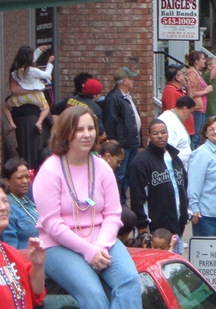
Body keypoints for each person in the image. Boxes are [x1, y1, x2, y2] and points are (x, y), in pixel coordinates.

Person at [32, 105, 141, 309]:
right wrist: (87, 251)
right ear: (66, 133)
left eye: (90, 129)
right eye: (79, 129)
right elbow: (52, 223)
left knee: (129, 281)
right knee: (94, 296)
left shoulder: (102, 167)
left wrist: (100, 247)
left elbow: (112, 214)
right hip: (59, 245)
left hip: (101, 239)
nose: (87, 135)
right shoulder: (50, 170)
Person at [129, 119, 189, 254]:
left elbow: (183, 186)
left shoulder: (174, 158)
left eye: (163, 132)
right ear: (149, 136)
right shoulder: (141, 161)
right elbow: (138, 196)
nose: (160, 136)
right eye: (155, 133)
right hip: (155, 229)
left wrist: (185, 214)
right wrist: (142, 226)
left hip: (177, 225)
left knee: (175, 264)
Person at [0, 180, 46, 309]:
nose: (3, 208)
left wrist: (37, 265)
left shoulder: (10, 253)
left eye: (5, 201)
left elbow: (36, 294)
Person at [102, 66, 142, 202]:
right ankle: (119, 202)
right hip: (123, 144)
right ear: (124, 81)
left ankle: (123, 200)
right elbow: (110, 122)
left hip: (131, 143)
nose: (133, 82)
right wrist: (117, 142)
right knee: (120, 174)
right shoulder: (114, 98)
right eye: (131, 79)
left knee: (128, 175)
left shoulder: (127, 97)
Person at [8, 46, 53, 128]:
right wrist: (49, 64)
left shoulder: (16, 71)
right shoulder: (33, 70)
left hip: (20, 97)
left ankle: (11, 123)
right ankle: (39, 122)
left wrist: (38, 51)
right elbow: (46, 75)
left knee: (4, 107)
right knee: (46, 108)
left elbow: (29, 61)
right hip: (36, 96)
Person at [1, 158, 38, 249]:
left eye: (27, 177)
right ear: (7, 181)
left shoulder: (29, 202)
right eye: (20, 178)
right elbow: (11, 248)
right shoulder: (7, 208)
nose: (25, 181)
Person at [185, 51, 214, 149]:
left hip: (201, 108)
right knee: (195, 135)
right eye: (202, 59)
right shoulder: (192, 74)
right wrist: (206, 91)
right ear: (196, 61)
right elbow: (191, 93)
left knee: (199, 135)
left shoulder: (198, 73)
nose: (204, 61)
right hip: (196, 108)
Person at [156, 95, 193, 168]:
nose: (190, 116)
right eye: (191, 112)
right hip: (173, 169)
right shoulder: (170, 122)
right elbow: (166, 150)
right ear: (185, 109)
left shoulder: (174, 118)